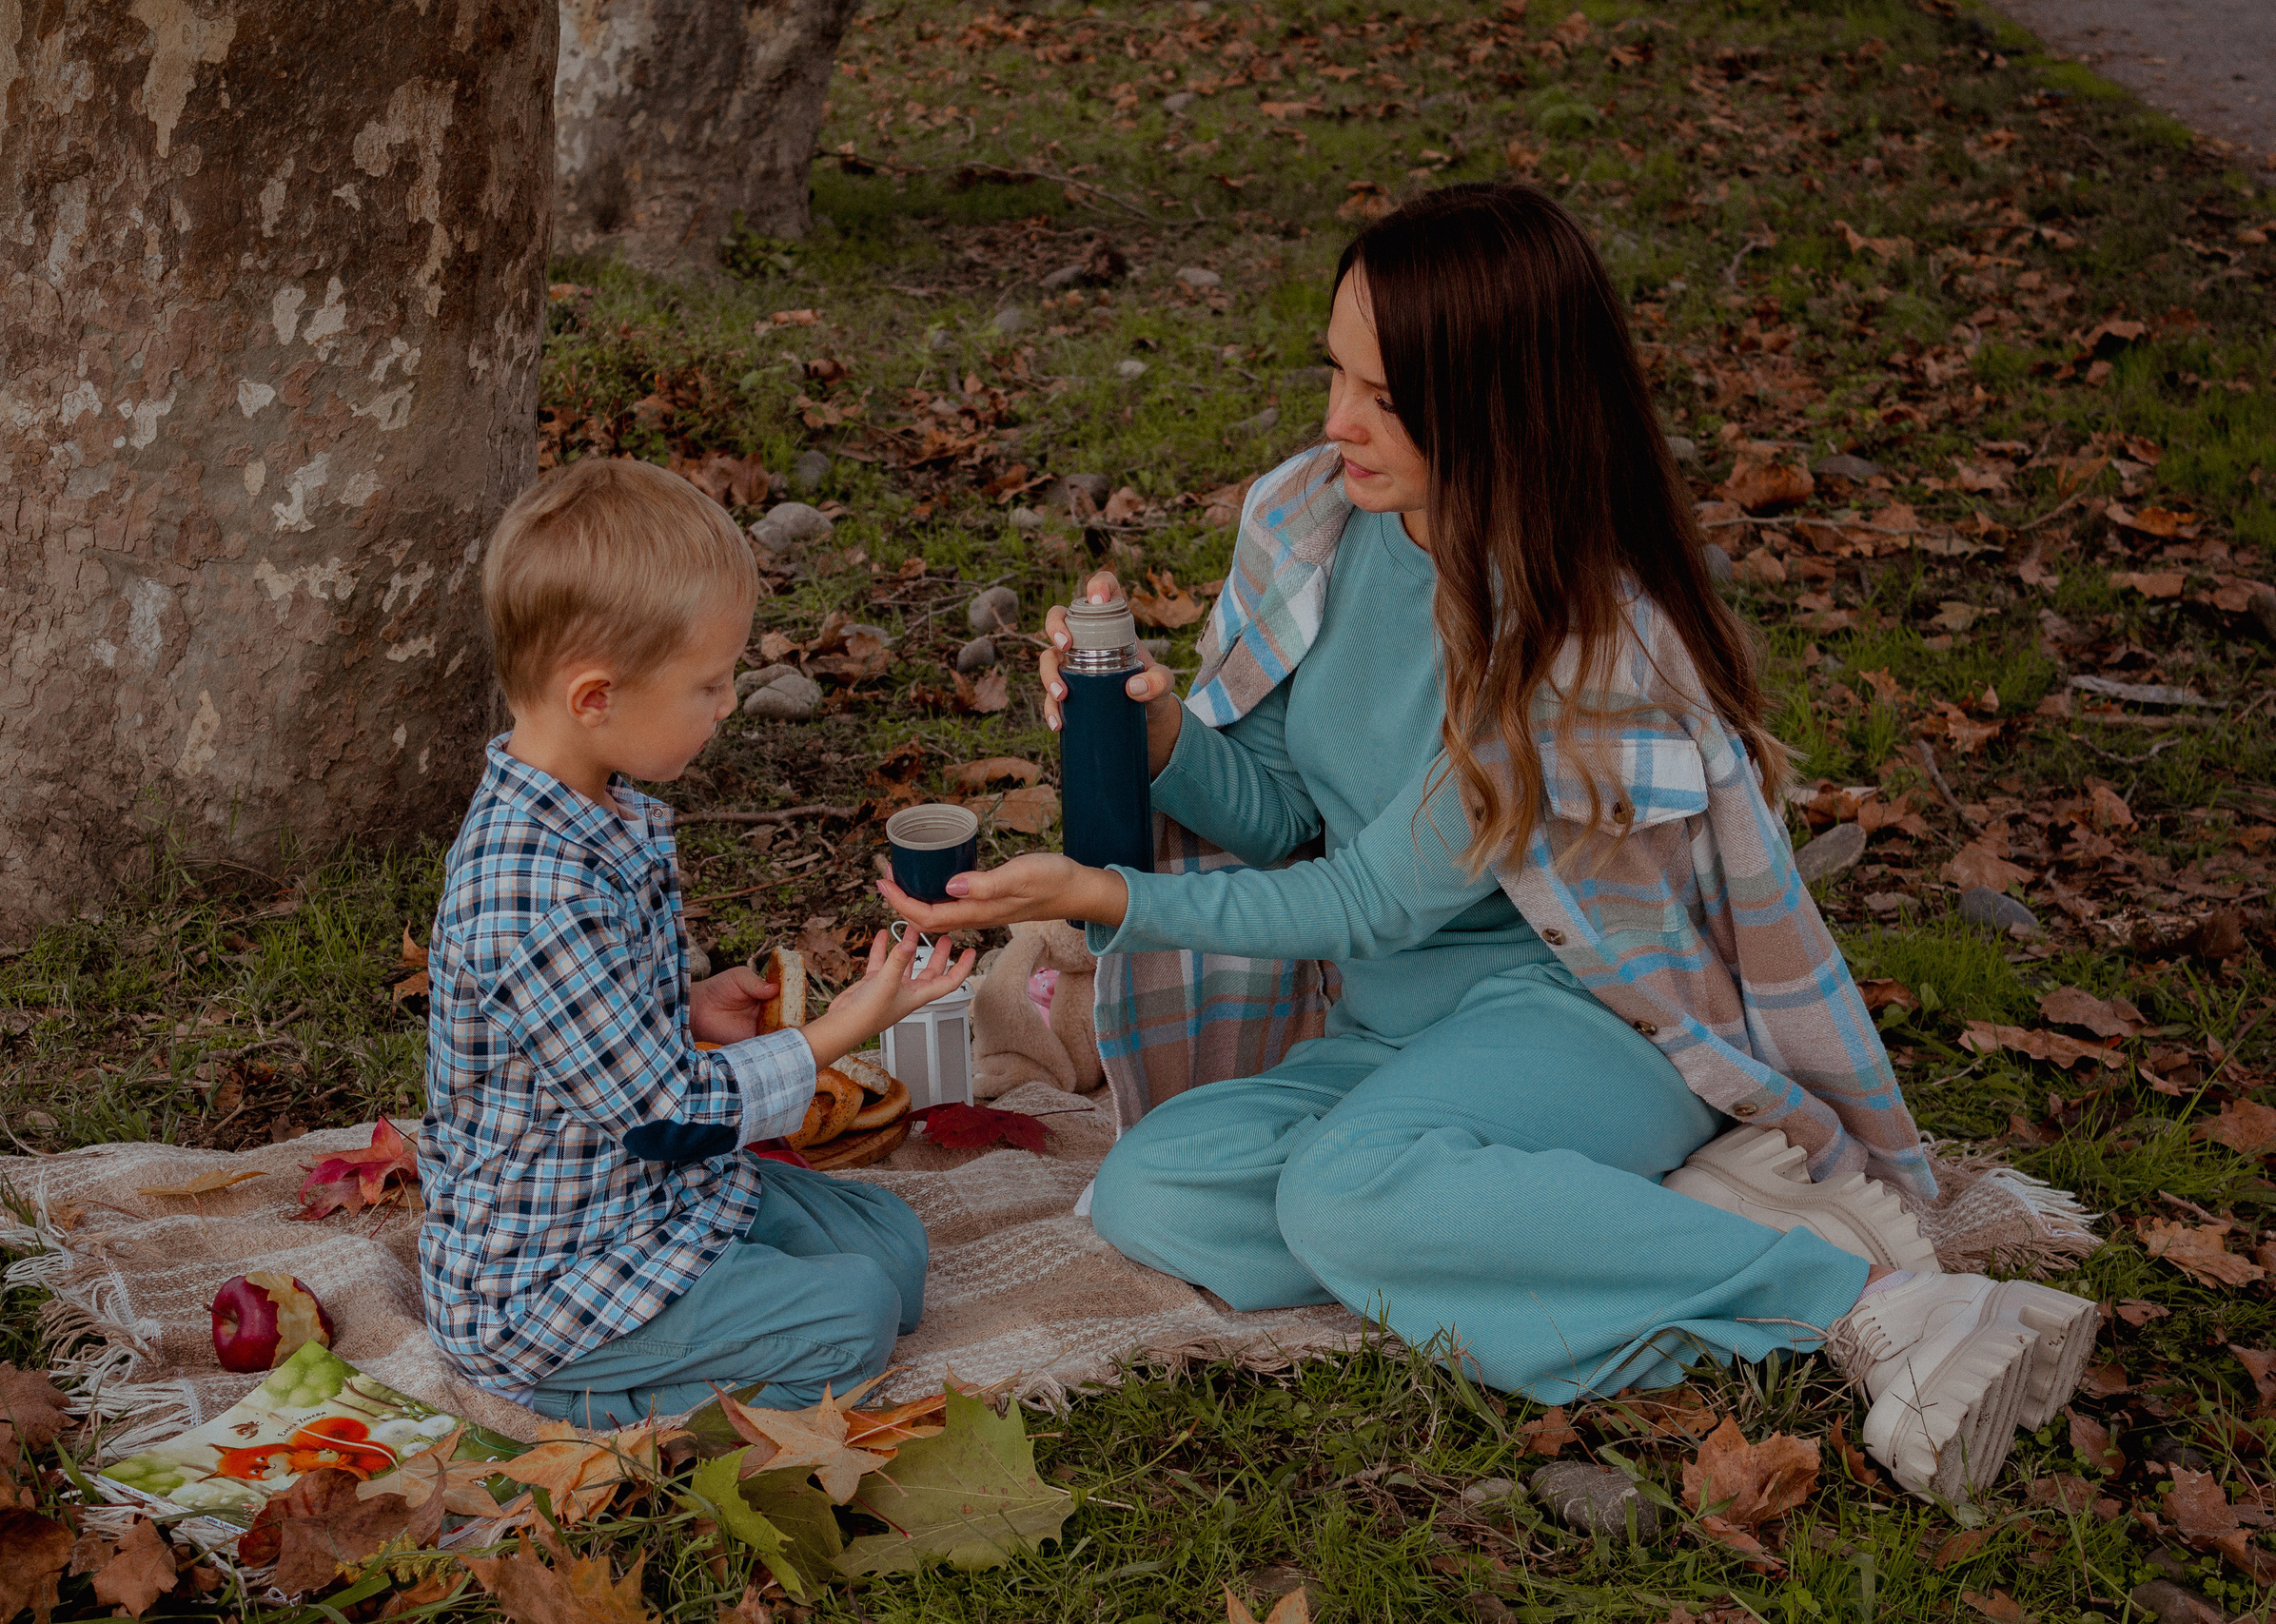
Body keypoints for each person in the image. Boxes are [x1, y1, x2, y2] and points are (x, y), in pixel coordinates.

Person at [882, 183, 2092, 1499]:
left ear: (1498, 404)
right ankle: (1629, 1218)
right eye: (1336, 375)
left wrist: (1106, 896)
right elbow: (1284, 812)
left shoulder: (1568, 631)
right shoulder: (1319, 526)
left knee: (1343, 1194)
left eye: (1387, 398)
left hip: (1584, 1024)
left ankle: (1862, 1298)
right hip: (1391, 1036)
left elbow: (1367, 901)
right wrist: (1156, 728)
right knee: (1154, 1188)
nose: (1338, 423)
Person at [418, 458, 973, 1428]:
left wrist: (686, 1006)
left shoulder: (594, 811)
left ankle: (732, 1300)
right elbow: (666, 1114)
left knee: (894, 1243)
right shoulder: (529, 897)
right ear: (595, 697)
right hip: (554, 1280)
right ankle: (586, 1394)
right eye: (708, 683)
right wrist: (835, 1033)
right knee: (857, 1313)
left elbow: (589, 1033)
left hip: (654, 1200)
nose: (726, 704)